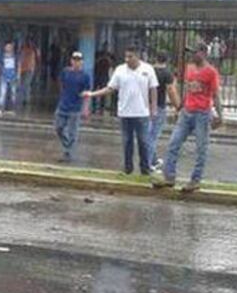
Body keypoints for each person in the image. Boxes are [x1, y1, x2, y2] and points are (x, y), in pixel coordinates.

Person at [152, 43, 223, 193]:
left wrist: (220, 116)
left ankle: (195, 180)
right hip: (187, 112)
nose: (192, 55)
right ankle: (169, 177)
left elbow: (216, 95)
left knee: (201, 148)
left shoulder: (211, 72)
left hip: (202, 114)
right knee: (173, 143)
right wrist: (180, 107)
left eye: (195, 52)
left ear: (203, 53)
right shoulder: (190, 69)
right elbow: (188, 90)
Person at [83, 46, 159, 175]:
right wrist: (92, 94)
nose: (127, 59)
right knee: (127, 142)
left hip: (142, 113)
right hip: (125, 113)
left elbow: (153, 89)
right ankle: (128, 169)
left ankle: (145, 169)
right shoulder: (120, 70)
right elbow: (110, 88)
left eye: (130, 56)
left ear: (137, 56)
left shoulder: (148, 69)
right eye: (126, 57)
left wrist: (154, 109)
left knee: (143, 142)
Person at [54, 51, 92, 163]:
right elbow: (61, 84)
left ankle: (68, 153)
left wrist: (86, 108)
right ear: (71, 61)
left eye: (79, 60)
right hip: (63, 105)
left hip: (75, 108)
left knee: (73, 132)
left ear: (82, 62)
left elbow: (87, 93)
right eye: (74, 60)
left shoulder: (85, 76)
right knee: (58, 127)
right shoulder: (65, 72)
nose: (76, 62)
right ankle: (67, 145)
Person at [148, 53, 180, 171]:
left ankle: (153, 160)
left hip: (145, 106)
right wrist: (178, 106)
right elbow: (171, 91)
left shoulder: (148, 71)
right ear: (167, 60)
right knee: (153, 136)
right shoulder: (167, 73)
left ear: (156, 59)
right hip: (159, 107)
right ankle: (148, 164)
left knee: (148, 134)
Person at [0, 41, 19, 116]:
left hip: (13, 77)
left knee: (13, 94)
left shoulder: (15, 56)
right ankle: (0, 109)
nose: (8, 48)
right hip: (4, 77)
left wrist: (18, 75)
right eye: (7, 46)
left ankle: (13, 109)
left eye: (9, 46)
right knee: (2, 94)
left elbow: (18, 66)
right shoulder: (2, 56)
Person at [92, 45, 114, 115]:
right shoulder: (98, 54)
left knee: (103, 93)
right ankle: (94, 107)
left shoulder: (109, 56)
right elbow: (94, 62)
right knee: (95, 91)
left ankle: (101, 108)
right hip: (97, 75)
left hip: (104, 76)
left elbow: (111, 64)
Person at [19, 39, 38, 107]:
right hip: (27, 69)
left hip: (27, 69)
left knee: (25, 84)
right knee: (26, 84)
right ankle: (25, 99)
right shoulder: (32, 51)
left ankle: (25, 99)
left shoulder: (28, 51)